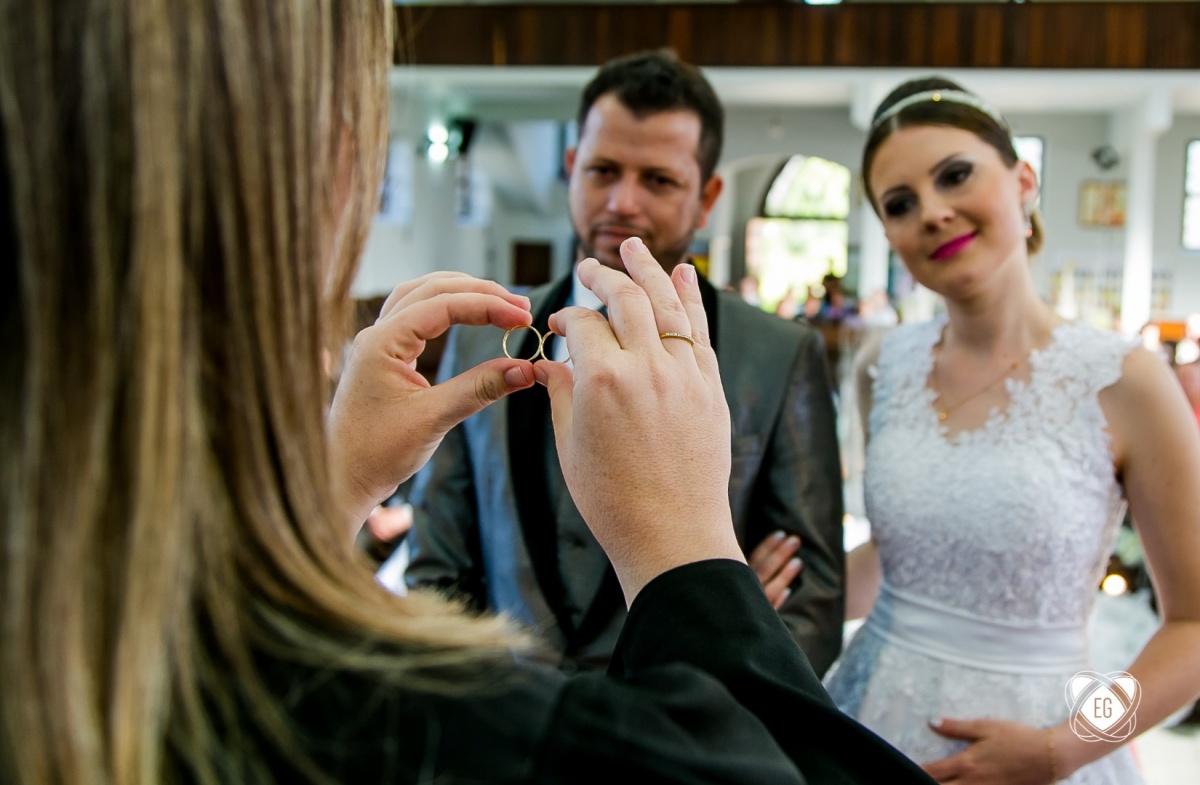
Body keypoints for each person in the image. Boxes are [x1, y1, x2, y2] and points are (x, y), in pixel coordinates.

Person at [402, 50, 845, 675]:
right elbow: (437, 562)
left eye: (658, 180)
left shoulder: (775, 354)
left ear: (707, 196)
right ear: (570, 168)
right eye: (603, 170)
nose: (622, 201)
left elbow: (813, 604)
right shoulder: (482, 336)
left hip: (687, 735)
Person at [823, 76, 1200, 784]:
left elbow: (1195, 627)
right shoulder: (884, 366)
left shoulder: (1125, 377)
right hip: (870, 715)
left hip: (1042, 738)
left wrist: (1066, 746)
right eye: (900, 205)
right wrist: (758, 588)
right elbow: (904, 554)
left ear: (1023, 181)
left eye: (955, 175)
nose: (932, 212)